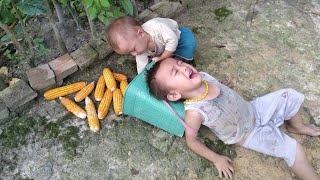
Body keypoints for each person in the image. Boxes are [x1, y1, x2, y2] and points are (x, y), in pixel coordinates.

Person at [145, 58, 320, 180]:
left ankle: (297, 126)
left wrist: (222, 85)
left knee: (290, 95)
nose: (183, 67)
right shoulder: (195, 112)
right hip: (247, 134)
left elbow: (217, 89)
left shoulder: (204, 77)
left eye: (180, 63)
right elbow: (192, 142)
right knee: (294, 149)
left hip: (253, 110)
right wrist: (216, 159)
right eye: (175, 72)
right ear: (174, 94)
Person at [105, 16, 196, 74]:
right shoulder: (140, 49)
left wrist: (163, 57)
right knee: (155, 62)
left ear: (141, 34)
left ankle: (178, 60)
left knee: (189, 44)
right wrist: (143, 79)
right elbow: (141, 68)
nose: (134, 54)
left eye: (133, 49)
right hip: (163, 47)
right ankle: (170, 58)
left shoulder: (157, 27)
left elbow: (173, 40)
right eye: (129, 53)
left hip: (178, 35)